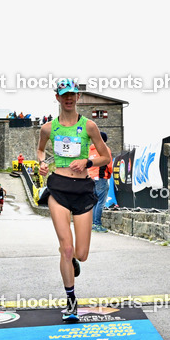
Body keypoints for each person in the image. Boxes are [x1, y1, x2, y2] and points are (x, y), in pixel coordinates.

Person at [36, 79, 112, 322]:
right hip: (58, 187)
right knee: (67, 247)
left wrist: (87, 163)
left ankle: (71, 259)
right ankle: (71, 301)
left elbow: (106, 156)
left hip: (82, 189)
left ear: (78, 97)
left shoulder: (89, 126)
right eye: (64, 94)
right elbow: (40, 150)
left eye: (72, 94)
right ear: (57, 97)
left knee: (81, 252)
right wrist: (41, 162)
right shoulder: (48, 128)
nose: (68, 98)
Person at [89, 132, 113, 233]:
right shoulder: (105, 149)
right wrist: (109, 175)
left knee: (94, 202)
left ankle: (93, 224)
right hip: (101, 177)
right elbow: (109, 164)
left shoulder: (89, 150)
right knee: (101, 202)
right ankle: (97, 224)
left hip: (90, 178)